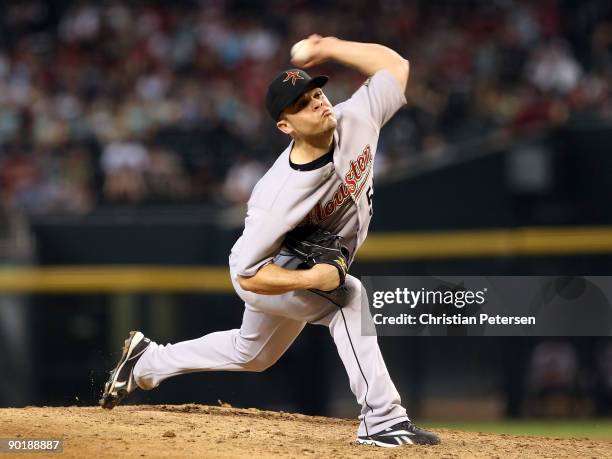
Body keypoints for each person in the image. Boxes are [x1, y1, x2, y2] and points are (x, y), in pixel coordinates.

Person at [100, 35, 441, 448]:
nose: (317, 102)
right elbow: (248, 277)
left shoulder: (357, 117)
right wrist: (313, 278)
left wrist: (331, 45)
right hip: (267, 270)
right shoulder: (275, 197)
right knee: (348, 297)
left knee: (253, 354)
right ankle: (382, 419)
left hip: (300, 264)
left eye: (317, 93)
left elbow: (396, 66)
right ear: (285, 125)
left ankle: (147, 361)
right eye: (302, 103)